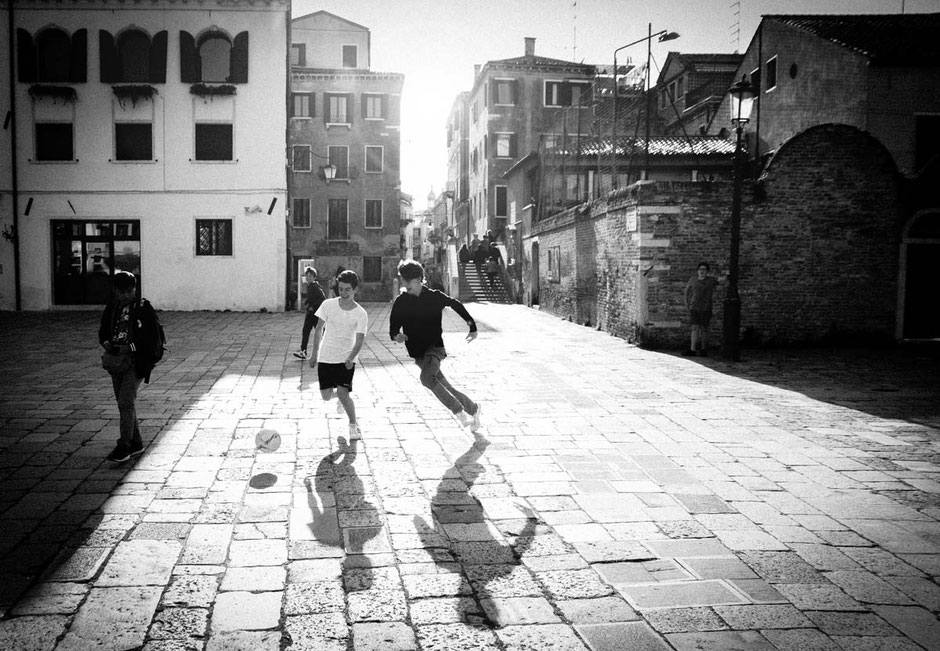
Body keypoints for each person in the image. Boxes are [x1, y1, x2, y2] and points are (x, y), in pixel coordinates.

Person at [390, 259, 482, 432]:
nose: (404, 284)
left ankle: (459, 413)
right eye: (402, 280)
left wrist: (472, 326)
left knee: (426, 379)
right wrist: (397, 336)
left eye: (407, 280)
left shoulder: (434, 297)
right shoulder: (401, 302)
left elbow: (456, 304)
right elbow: (393, 328)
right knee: (444, 386)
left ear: (418, 279)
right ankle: (473, 408)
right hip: (418, 355)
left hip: (435, 349)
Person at [98, 271, 162, 462]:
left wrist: (131, 348)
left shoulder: (143, 307)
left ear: (135, 289)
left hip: (135, 362)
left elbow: (152, 338)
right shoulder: (112, 308)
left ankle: (123, 446)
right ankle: (136, 443)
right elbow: (103, 330)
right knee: (124, 403)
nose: (126, 295)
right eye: (121, 291)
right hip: (116, 361)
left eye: (129, 291)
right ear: (115, 291)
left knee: (125, 401)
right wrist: (106, 342)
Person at [309, 269, 368, 439]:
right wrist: (314, 354)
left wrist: (351, 357)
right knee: (326, 396)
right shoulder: (328, 305)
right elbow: (319, 329)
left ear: (355, 290)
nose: (343, 293)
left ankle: (353, 426)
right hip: (326, 356)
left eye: (347, 289)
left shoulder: (361, 313)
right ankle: (340, 400)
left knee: (343, 393)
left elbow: (359, 340)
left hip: (346, 358)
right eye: (340, 289)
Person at [684, 261, 721, 357]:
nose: (702, 271)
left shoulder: (711, 280)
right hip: (694, 307)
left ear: (707, 271)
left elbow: (721, 281)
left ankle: (704, 349)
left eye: (704, 270)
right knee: (695, 328)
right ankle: (693, 349)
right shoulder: (693, 280)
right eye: (700, 269)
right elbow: (687, 292)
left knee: (704, 329)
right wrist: (687, 304)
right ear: (697, 271)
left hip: (706, 308)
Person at [293, 267, 327, 360]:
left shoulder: (315, 286)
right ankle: (303, 350)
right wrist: (307, 303)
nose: (308, 277)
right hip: (312, 312)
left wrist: (313, 306)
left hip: (314, 313)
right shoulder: (310, 286)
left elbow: (322, 298)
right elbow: (313, 298)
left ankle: (321, 350)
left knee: (316, 331)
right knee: (308, 331)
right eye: (307, 275)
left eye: (310, 276)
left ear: (314, 277)